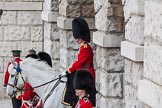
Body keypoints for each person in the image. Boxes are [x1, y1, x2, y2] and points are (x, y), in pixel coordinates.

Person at [61, 17, 96, 108]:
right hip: (82, 71)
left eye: (78, 37)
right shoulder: (82, 46)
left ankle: (72, 100)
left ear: (82, 36)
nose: (76, 39)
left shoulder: (86, 48)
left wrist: (67, 71)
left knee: (71, 79)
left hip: (86, 73)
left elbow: (79, 62)